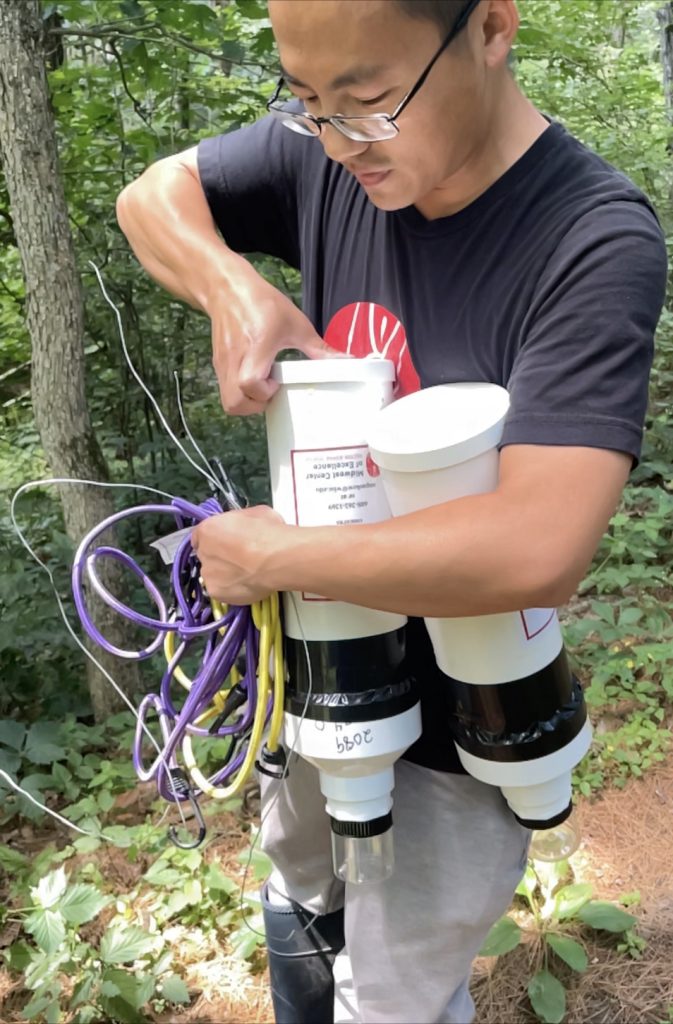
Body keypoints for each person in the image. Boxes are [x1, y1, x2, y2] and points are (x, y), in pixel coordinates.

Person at [116, 1, 667, 1021]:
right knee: (299, 892)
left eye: (367, 102)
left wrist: (278, 558)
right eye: (305, 99)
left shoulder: (591, 234)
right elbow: (153, 196)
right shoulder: (325, 156)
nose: (334, 140)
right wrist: (232, 286)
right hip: (322, 676)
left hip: (471, 710)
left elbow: (535, 543)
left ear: (491, 27)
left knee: (397, 995)